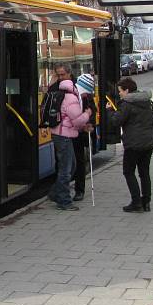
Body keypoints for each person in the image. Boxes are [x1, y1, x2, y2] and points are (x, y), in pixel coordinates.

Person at [108, 77, 153, 213]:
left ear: (127, 90)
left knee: (128, 172)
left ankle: (136, 203)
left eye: (120, 91)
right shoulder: (146, 101)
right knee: (144, 172)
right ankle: (146, 202)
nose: (120, 94)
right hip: (148, 142)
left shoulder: (127, 104)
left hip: (133, 144)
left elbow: (117, 121)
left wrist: (110, 111)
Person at [49, 78, 92, 211]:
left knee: (71, 166)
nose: (85, 96)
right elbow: (77, 121)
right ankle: (64, 201)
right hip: (64, 136)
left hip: (60, 134)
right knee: (66, 170)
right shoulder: (71, 99)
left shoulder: (63, 94)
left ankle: (56, 193)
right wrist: (87, 114)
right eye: (86, 93)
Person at [73, 73, 97, 202]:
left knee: (79, 162)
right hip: (70, 132)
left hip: (80, 134)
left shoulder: (87, 97)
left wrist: (90, 124)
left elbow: (93, 111)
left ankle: (79, 190)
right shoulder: (71, 93)